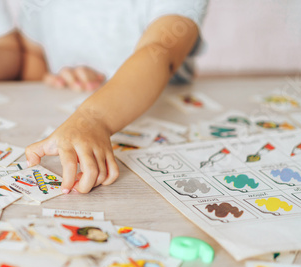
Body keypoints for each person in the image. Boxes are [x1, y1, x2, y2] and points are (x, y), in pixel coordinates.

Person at [20, 0, 208, 193]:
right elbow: (33, 54)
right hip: (60, 117)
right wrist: (53, 78)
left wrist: (94, 119)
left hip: (168, 128)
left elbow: (159, 51)